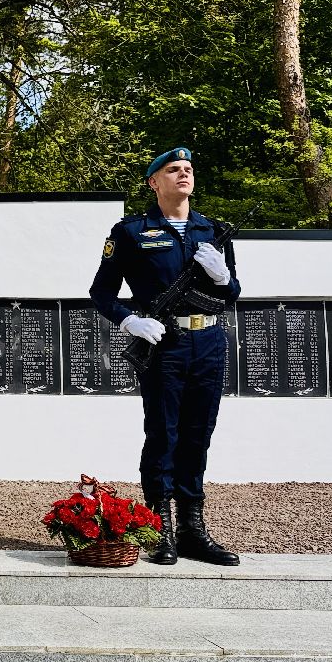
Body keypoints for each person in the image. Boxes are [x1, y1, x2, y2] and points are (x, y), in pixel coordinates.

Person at [89, 147, 240, 566]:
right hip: (164, 343)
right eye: (173, 170)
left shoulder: (214, 231)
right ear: (154, 182)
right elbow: (100, 292)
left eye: (188, 169)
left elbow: (231, 295)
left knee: (198, 434)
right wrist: (129, 322)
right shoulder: (131, 232)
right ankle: (161, 530)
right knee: (164, 434)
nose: (183, 174)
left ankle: (193, 530)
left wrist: (222, 276)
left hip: (208, 343)